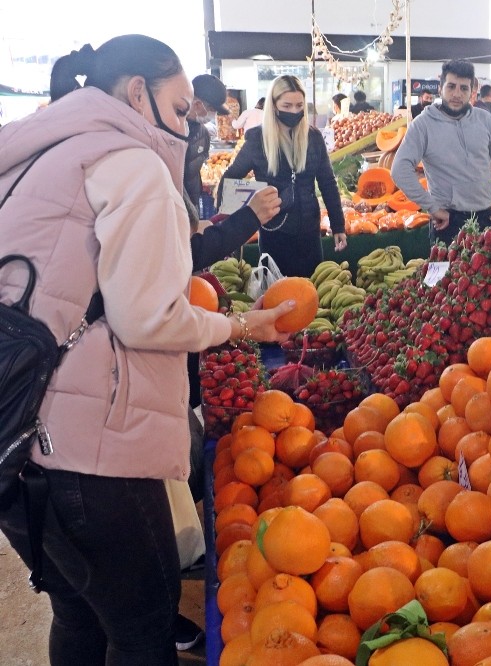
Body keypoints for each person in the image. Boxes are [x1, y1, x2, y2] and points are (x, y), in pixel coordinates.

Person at [0, 34, 297, 666]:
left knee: (78, 612)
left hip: (15, 432)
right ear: (139, 93)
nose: (191, 124)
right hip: (91, 452)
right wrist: (243, 326)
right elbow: (147, 318)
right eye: (183, 107)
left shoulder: (37, 153)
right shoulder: (131, 163)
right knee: (142, 630)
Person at [221, 74, 348, 277]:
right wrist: (237, 224)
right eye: (287, 106)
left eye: (299, 105)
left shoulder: (313, 137)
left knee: (310, 294)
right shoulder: (258, 140)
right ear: (273, 105)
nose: (294, 111)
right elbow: (229, 179)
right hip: (273, 232)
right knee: (276, 296)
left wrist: (338, 224)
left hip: (310, 233)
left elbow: (328, 182)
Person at [391, 59, 491, 246]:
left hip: (486, 218)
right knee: (447, 274)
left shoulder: (486, 120)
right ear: (440, 89)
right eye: (451, 86)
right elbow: (399, 169)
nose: (457, 94)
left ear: (472, 92)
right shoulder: (423, 125)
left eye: (464, 88)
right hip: (447, 222)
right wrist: (431, 207)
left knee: (487, 275)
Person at [182, 74, 230, 204]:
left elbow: (194, 174)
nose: (213, 115)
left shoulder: (203, 134)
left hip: (192, 205)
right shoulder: (173, 129)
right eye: (211, 109)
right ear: (197, 104)